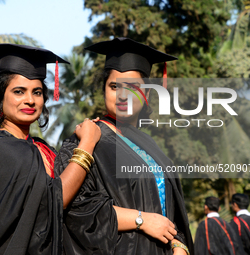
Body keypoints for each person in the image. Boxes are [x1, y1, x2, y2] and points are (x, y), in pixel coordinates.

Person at [0, 44, 101, 255]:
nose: (30, 100)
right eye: (18, 91)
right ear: (0, 97)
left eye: (37, 92)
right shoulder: (1, 150)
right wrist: (87, 143)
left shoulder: (39, 148)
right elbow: (55, 199)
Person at [54, 37, 193, 255]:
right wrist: (142, 220)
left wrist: (179, 245)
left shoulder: (151, 147)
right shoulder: (87, 138)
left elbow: (172, 212)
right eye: (113, 86)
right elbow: (77, 210)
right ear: (104, 91)